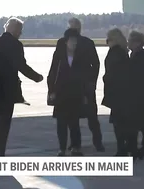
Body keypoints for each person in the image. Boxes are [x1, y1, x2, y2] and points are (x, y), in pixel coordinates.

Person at [0, 17, 43, 156]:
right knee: (4, 124)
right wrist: (36, 77)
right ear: (14, 30)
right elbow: (21, 66)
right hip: (8, 90)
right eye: (20, 31)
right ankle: (0, 155)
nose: (20, 34)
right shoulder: (16, 45)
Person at [55, 17, 105, 153]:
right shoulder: (61, 43)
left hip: (85, 86)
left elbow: (95, 64)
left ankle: (97, 141)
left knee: (92, 116)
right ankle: (74, 144)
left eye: (75, 27)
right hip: (67, 88)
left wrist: (91, 82)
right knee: (72, 118)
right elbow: (56, 65)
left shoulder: (87, 43)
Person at [48, 28, 94, 156]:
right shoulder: (59, 55)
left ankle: (76, 146)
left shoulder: (81, 56)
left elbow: (86, 75)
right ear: (66, 42)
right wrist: (51, 90)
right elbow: (52, 73)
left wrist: (86, 93)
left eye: (76, 41)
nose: (74, 43)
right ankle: (62, 148)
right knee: (61, 123)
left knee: (74, 122)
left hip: (76, 93)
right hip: (61, 93)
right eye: (72, 41)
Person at [102, 28, 140, 159]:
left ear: (114, 40)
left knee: (119, 124)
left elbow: (112, 73)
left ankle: (122, 150)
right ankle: (132, 149)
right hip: (127, 94)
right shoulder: (124, 53)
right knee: (128, 123)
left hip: (117, 94)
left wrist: (105, 78)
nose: (107, 43)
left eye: (108, 40)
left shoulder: (115, 53)